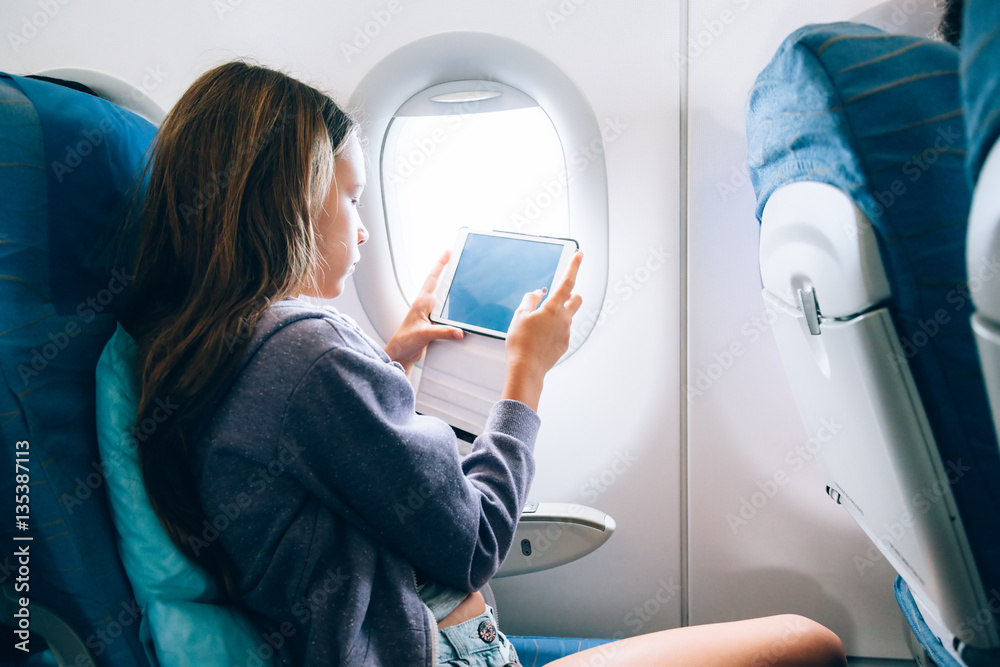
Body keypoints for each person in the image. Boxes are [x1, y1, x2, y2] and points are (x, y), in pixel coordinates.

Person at [119, 61, 847, 666]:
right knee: (808, 643)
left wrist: (391, 368)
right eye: (348, 195)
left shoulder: (201, 347)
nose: (365, 227)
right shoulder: (307, 353)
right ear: (292, 202)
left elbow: (326, 494)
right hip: (451, 655)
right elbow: (473, 544)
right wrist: (526, 375)